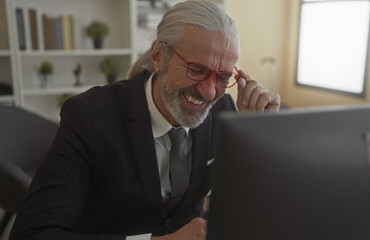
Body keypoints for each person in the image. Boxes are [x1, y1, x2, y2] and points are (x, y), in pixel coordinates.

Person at [10, 1, 281, 240]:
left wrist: (256, 134)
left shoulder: (224, 110)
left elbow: (242, 203)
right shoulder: (88, 116)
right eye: (197, 70)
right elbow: (32, 233)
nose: (210, 93)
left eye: (223, 77)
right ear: (158, 56)